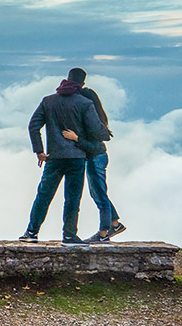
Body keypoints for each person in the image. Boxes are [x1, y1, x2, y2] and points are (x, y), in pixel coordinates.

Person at [19, 67, 111, 245]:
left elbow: (33, 126)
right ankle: (69, 236)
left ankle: (31, 232)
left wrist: (39, 151)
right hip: (76, 158)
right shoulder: (85, 103)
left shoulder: (48, 101)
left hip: (54, 157)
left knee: (44, 195)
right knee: (72, 198)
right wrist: (100, 135)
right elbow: (99, 132)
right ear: (82, 84)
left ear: (66, 79)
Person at [59, 68, 126, 243]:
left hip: (96, 156)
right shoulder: (92, 108)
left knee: (99, 194)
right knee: (97, 192)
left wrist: (76, 138)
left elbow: (96, 141)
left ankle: (104, 233)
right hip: (96, 156)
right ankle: (115, 223)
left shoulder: (92, 121)